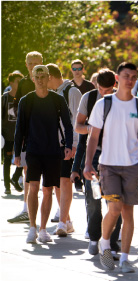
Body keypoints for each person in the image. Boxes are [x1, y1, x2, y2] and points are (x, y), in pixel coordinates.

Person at [83, 62, 138, 273]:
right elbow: (93, 136)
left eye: (133, 76)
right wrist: (88, 163)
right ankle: (105, 243)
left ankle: (124, 259)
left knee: (128, 213)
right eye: (126, 76)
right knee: (114, 209)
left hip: (131, 167)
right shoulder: (104, 104)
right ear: (117, 78)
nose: (130, 80)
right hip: (109, 167)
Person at [14, 65, 74, 243]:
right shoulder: (26, 100)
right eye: (37, 76)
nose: (40, 80)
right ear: (32, 78)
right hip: (33, 150)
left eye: (43, 76)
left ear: (49, 78)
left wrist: (68, 146)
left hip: (53, 151)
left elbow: (67, 124)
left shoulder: (57, 99)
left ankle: (42, 229)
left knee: (48, 190)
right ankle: (32, 228)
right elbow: (20, 129)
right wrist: (17, 153)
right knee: (33, 187)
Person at [71, 68, 122, 258]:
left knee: (115, 201)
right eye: (102, 89)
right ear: (96, 86)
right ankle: (94, 238)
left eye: (109, 90)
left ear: (114, 86)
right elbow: (78, 126)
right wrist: (94, 129)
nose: (105, 94)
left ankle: (112, 242)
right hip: (93, 156)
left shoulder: (122, 100)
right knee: (93, 200)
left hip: (116, 156)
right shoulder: (89, 98)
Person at [46, 63, 82, 236]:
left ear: (51, 77)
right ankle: (67, 221)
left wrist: (73, 144)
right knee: (57, 183)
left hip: (68, 144)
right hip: (54, 145)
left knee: (64, 181)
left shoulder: (72, 92)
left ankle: (62, 222)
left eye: (45, 78)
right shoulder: (53, 94)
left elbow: (77, 119)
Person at [8, 51, 43, 223]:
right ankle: (26, 210)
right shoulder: (23, 82)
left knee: (52, 177)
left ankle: (62, 216)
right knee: (27, 170)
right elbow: (16, 107)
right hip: (27, 135)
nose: (33, 66)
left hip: (46, 134)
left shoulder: (46, 80)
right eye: (30, 63)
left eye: (36, 62)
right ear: (26, 64)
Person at [2, 72, 24, 194]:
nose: (20, 83)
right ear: (11, 83)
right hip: (7, 135)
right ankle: (7, 186)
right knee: (7, 159)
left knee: (23, 158)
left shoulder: (23, 98)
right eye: (17, 81)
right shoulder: (4, 98)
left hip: (21, 135)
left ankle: (15, 178)